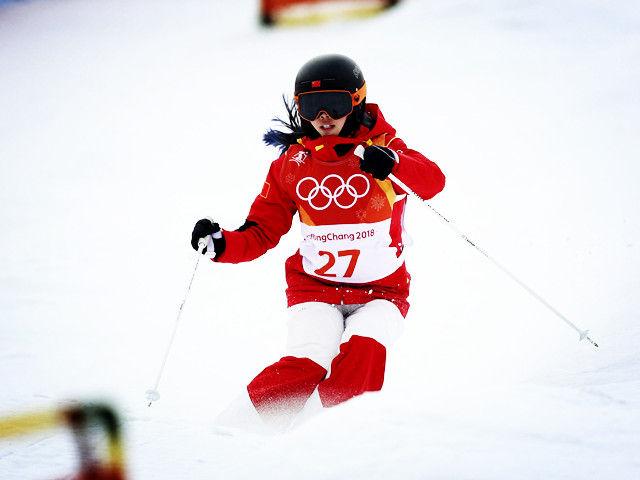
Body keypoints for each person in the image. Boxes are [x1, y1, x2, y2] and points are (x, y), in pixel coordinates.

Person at [191, 54, 445, 430]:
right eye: (310, 106)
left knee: (364, 356)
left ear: (356, 101)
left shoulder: (385, 148)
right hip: (316, 289)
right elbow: (262, 229)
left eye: (336, 104)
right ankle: (233, 432)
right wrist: (223, 244)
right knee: (309, 359)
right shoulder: (292, 164)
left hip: (382, 293)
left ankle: (323, 439)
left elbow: (433, 182)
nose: (323, 116)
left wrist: (393, 162)